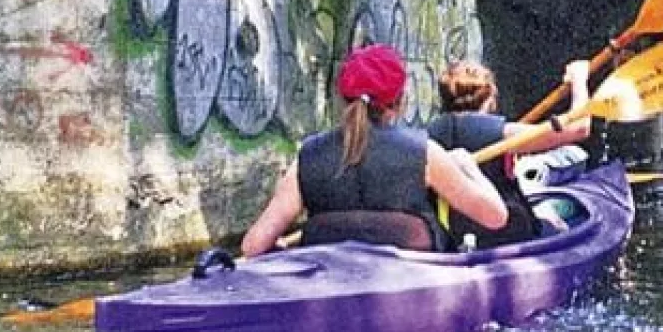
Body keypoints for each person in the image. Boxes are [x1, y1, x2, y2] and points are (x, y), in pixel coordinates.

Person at [240, 43, 507, 257]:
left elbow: (252, 246)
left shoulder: (308, 156)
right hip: (411, 287)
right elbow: (495, 217)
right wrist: (468, 167)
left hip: (329, 288)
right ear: (400, 100)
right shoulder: (425, 153)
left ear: (342, 97)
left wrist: (284, 252)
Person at [426, 58, 592, 249]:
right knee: (557, 221)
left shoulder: (428, 134)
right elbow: (580, 128)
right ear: (490, 99)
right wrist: (579, 80)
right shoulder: (502, 133)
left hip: (449, 238)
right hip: (507, 234)